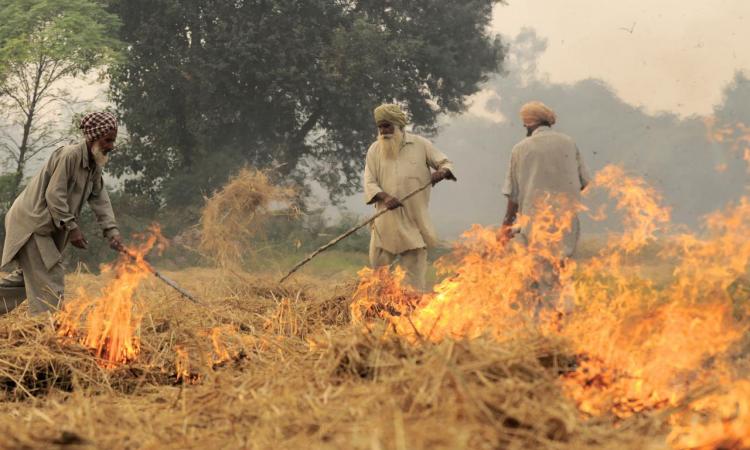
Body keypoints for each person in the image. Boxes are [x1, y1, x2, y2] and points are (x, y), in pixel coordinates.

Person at [0, 111, 124, 315]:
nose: (111, 146)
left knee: (28, 279)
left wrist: (112, 231)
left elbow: (100, 197)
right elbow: (54, 195)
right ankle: (46, 329)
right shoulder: (70, 155)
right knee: (50, 274)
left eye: (113, 141)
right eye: (107, 140)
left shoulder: (95, 163)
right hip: (32, 223)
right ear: (93, 137)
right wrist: (72, 227)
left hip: (42, 226)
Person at [363, 103, 456, 291]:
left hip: (414, 222)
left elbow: (445, 162)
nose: (383, 131)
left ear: (399, 125)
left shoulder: (421, 144)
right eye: (380, 127)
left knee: (414, 284)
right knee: (378, 280)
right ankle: (376, 314)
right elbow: (369, 182)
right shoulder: (375, 149)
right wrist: (385, 197)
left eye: (387, 126)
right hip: (385, 223)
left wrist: (442, 172)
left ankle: (413, 315)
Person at [501, 101, 590, 258]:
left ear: (529, 123)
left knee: (536, 271)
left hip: (533, 221)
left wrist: (506, 225)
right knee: (560, 269)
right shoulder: (569, 143)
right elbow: (583, 182)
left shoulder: (520, 148)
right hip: (566, 221)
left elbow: (513, 194)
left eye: (524, 124)